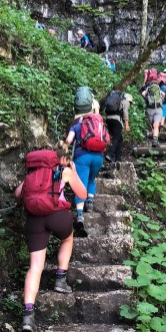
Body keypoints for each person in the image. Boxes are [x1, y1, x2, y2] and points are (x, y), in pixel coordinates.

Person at [15, 142, 87, 332]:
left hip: (34, 220)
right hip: (57, 216)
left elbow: (17, 194)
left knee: (35, 267)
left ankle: (28, 316)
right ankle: (60, 279)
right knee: (67, 239)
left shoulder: (33, 174)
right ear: (62, 159)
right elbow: (83, 194)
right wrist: (73, 171)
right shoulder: (64, 171)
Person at [65, 100, 105, 233]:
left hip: (82, 157)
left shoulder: (76, 125)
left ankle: (80, 215)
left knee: (80, 183)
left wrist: (64, 146)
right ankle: (90, 201)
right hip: (98, 157)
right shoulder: (97, 123)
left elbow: (69, 140)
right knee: (91, 179)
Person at [105, 93, 132, 163]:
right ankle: (110, 154)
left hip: (108, 119)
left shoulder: (117, 102)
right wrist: (127, 124)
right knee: (116, 138)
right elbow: (125, 112)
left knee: (119, 139)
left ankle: (118, 158)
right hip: (116, 120)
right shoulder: (126, 102)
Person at [141, 70, 164, 147]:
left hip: (149, 109)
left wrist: (147, 99)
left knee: (153, 125)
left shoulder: (148, 87)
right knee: (156, 125)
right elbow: (163, 94)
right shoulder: (158, 88)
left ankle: (155, 139)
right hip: (158, 109)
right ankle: (155, 140)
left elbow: (143, 94)